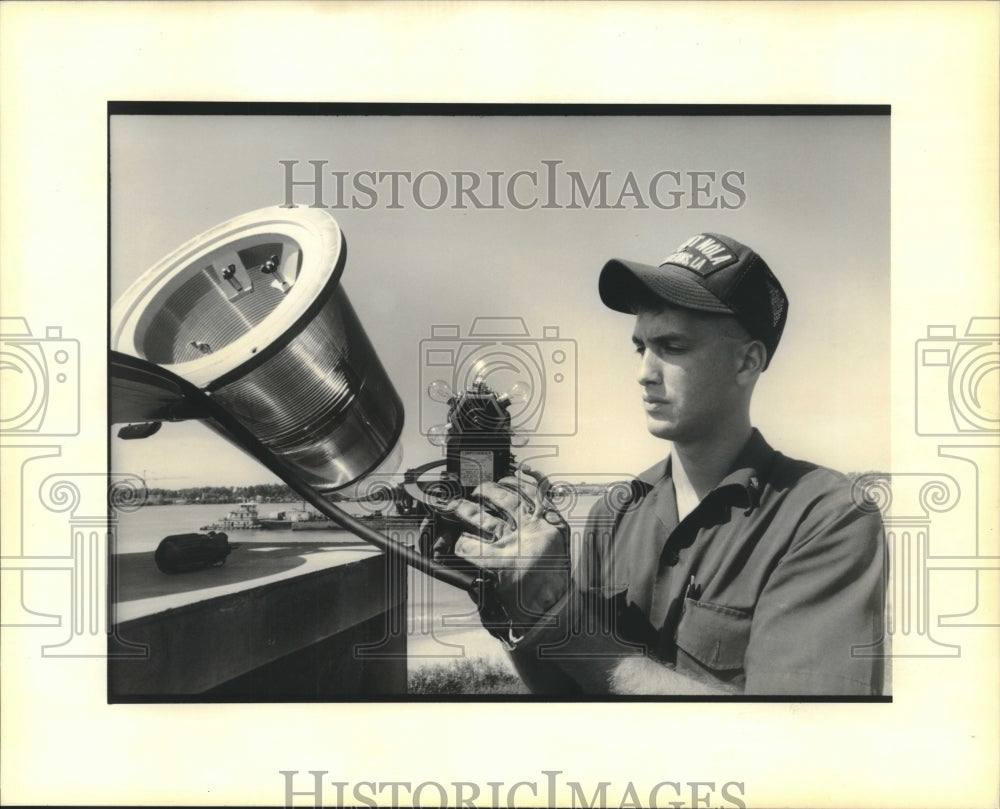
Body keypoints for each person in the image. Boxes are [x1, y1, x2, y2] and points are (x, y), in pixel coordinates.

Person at [431, 232, 887, 696]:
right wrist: (517, 604)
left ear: (747, 362)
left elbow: (793, 738)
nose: (644, 372)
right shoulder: (616, 513)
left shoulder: (828, 517)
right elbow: (567, 695)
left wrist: (563, 619)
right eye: (640, 347)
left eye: (673, 346)